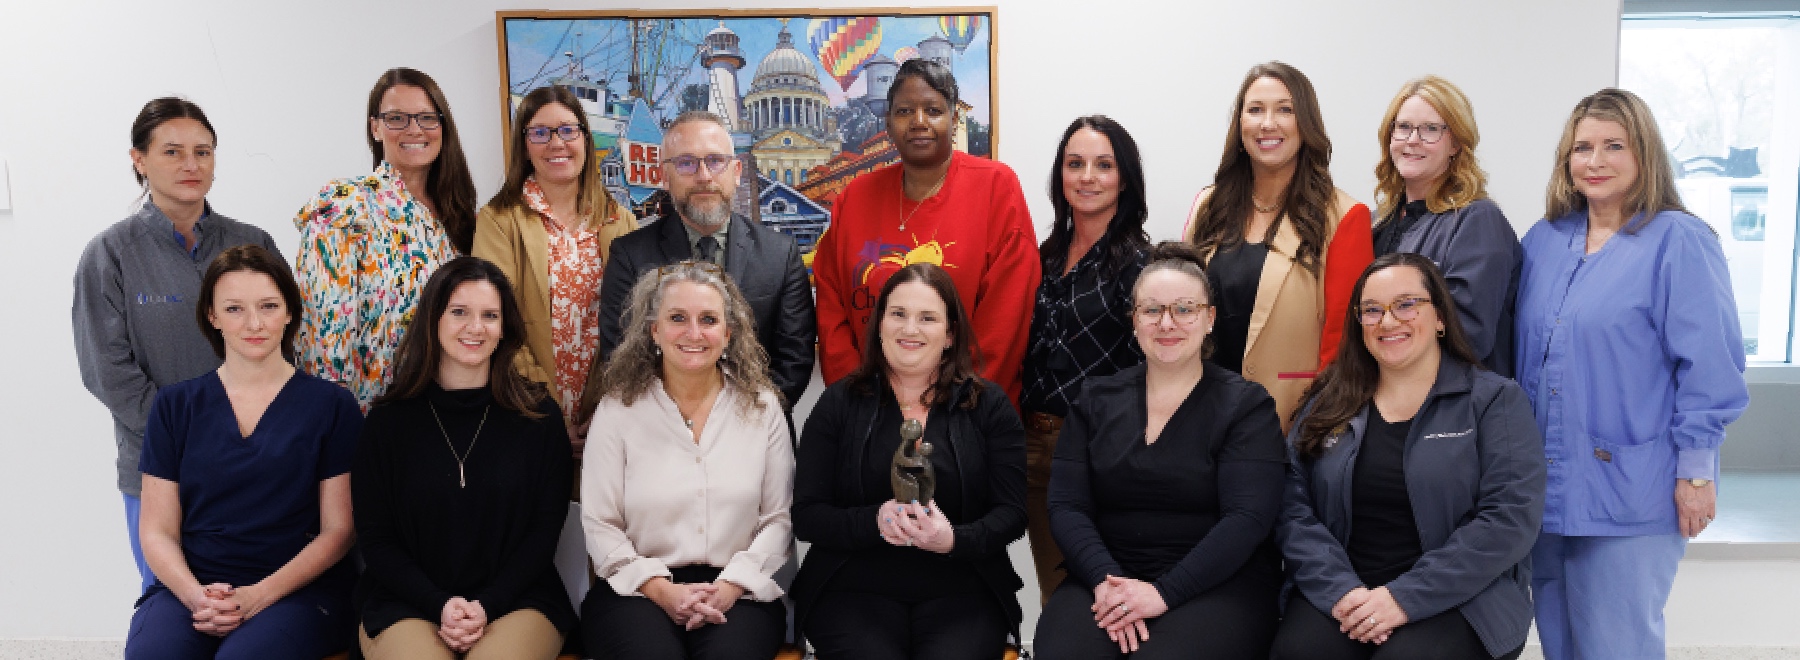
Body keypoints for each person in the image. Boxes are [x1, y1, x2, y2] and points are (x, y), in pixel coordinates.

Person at [1517, 88, 1749, 660]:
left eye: (1614, 146)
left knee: (1617, 647)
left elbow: (1712, 369)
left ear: (1644, 154)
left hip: (1631, 490)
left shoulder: (1680, 241)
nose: (1594, 161)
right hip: (1544, 490)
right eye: (1582, 148)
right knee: (1559, 645)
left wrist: (1696, 473)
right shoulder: (1543, 241)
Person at [1272, 253, 1544, 660]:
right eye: (1372, 310)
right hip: (1344, 592)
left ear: (1439, 317)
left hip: (1461, 598)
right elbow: (1291, 506)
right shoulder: (1328, 402)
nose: (1387, 321)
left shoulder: (1493, 401)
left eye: (1406, 305)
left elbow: (1509, 518)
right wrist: (1342, 590)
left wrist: (1401, 599)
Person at [74, 97, 285, 596]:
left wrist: (252, 440)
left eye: (203, 151)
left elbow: (284, 345)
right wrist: (191, 443)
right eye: (172, 152)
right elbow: (109, 373)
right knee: (176, 608)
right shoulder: (110, 254)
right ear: (139, 160)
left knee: (256, 608)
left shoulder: (253, 243)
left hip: (256, 463)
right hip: (158, 469)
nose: (191, 164)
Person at [1035, 243, 1286, 659]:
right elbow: (1066, 506)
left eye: (1184, 309)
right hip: (1107, 576)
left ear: (1209, 319)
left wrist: (1162, 593)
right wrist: (1106, 581)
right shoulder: (1095, 399)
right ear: (1134, 321)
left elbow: (1247, 519)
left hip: (1217, 581)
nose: (1167, 323)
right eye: (1152, 310)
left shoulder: (1247, 406)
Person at [125, 245, 359, 659]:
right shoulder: (175, 406)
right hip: (192, 588)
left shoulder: (332, 406)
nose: (254, 323)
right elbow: (157, 530)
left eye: (268, 306)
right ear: (212, 317)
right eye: (234, 309)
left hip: (297, 591)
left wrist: (257, 596)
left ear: (289, 312)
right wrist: (197, 596)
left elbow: (338, 531)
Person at [791, 263, 1027, 660]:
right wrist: (873, 521)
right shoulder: (838, 403)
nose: (910, 329)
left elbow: (1013, 513)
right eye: (898, 314)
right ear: (880, 324)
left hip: (964, 588)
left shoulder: (989, 406)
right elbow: (807, 515)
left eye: (927, 318)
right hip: (852, 587)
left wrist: (954, 539)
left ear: (950, 335)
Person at [352, 257, 577, 659]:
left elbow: (543, 537)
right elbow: (377, 541)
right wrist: (438, 604)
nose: (476, 328)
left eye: (490, 315)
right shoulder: (387, 423)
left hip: (518, 599)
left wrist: (486, 605)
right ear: (433, 319)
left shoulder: (539, 417)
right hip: (407, 601)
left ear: (504, 327)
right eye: (459, 312)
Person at [580, 260, 794, 660]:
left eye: (708, 319)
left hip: (740, 591)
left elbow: (778, 520)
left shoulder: (763, 409)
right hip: (636, 589)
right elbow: (600, 523)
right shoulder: (617, 410)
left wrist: (730, 586)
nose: (693, 333)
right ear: (654, 330)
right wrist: (662, 590)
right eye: (677, 318)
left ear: (728, 334)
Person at [811, 58, 1040, 403]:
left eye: (933, 110)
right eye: (904, 112)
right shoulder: (854, 198)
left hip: (967, 411)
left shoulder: (996, 187)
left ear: (954, 118)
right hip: (869, 409)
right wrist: (859, 397)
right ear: (888, 123)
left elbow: (1007, 319)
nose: (919, 122)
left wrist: (955, 401)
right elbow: (832, 312)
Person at [1184, 61, 1373, 426]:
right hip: (1199, 417)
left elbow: (1343, 346)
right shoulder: (1208, 205)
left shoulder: (1343, 216)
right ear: (1240, 124)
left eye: (1284, 109)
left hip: (1286, 421)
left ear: (1306, 123)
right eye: (1255, 110)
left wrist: (1314, 429)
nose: (1267, 123)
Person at [1020, 115, 1151, 604]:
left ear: (1125, 178)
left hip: (1104, 453)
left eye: (1104, 165)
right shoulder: (1044, 255)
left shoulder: (1142, 263)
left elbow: (1150, 375)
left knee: (1103, 597)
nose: (1088, 177)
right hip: (1035, 445)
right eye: (1075, 164)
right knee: (1056, 597)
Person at [600, 111, 814, 408]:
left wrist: (739, 424)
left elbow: (794, 359)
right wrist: (682, 425)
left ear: (736, 171)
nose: (704, 176)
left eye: (715, 161)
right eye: (686, 163)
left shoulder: (781, 254)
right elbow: (620, 356)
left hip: (757, 434)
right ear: (664, 176)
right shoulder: (629, 256)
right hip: (659, 438)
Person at [293, 67, 477, 410]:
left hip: (451, 415)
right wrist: (333, 429)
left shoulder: (462, 218)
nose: (414, 130)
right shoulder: (347, 205)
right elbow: (323, 335)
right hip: (370, 419)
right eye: (397, 118)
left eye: (426, 118)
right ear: (375, 127)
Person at [474, 85, 638, 450]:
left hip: (608, 412)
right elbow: (492, 320)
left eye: (567, 129)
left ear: (584, 137)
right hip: (524, 408)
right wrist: (543, 411)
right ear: (524, 145)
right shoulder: (499, 220)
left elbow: (635, 323)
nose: (556, 142)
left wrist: (608, 408)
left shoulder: (620, 220)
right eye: (539, 132)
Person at [1370, 76, 1521, 376]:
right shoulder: (1376, 222)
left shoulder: (1477, 221)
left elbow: (1468, 336)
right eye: (1403, 127)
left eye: (1430, 129)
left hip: (1450, 406)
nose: (1413, 140)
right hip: (1384, 396)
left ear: (1456, 143)